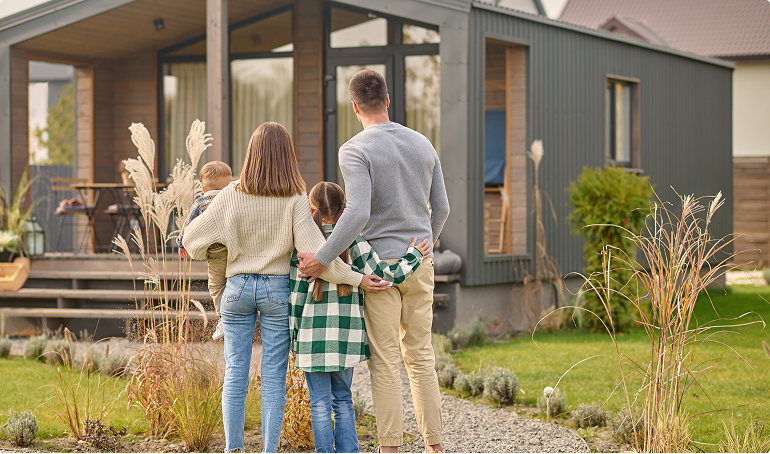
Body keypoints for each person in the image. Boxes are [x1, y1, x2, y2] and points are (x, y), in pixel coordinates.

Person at [182, 122, 391, 453]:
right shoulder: (294, 199)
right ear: (287, 156)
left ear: (251, 154)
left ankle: (233, 449)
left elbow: (191, 240)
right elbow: (320, 259)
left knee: (235, 373)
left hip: (235, 290)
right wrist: (359, 278)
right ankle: (268, 450)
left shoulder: (230, 195)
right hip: (276, 293)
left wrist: (221, 248)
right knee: (274, 378)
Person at [298, 70, 450, 453]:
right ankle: (434, 447)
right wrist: (426, 243)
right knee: (421, 358)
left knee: (385, 363)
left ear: (354, 107)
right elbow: (443, 208)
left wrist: (322, 258)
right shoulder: (422, 143)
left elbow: (358, 211)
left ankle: (391, 448)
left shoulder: (354, 149)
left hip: (378, 269)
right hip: (420, 263)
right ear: (387, 100)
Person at [289, 181, 431, 453]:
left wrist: (294, 337)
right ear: (346, 209)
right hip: (347, 335)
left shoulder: (303, 244)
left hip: (311, 339)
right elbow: (384, 276)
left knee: (319, 402)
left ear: (311, 209)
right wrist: (414, 255)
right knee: (343, 399)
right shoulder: (354, 241)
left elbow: (294, 298)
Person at [177, 160, 233, 341]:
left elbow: (187, 226)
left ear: (203, 188)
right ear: (229, 184)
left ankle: (223, 317)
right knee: (233, 281)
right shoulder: (233, 199)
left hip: (215, 253)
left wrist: (181, 243)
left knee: (216, 286)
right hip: (235, 249)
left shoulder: (200, 203)